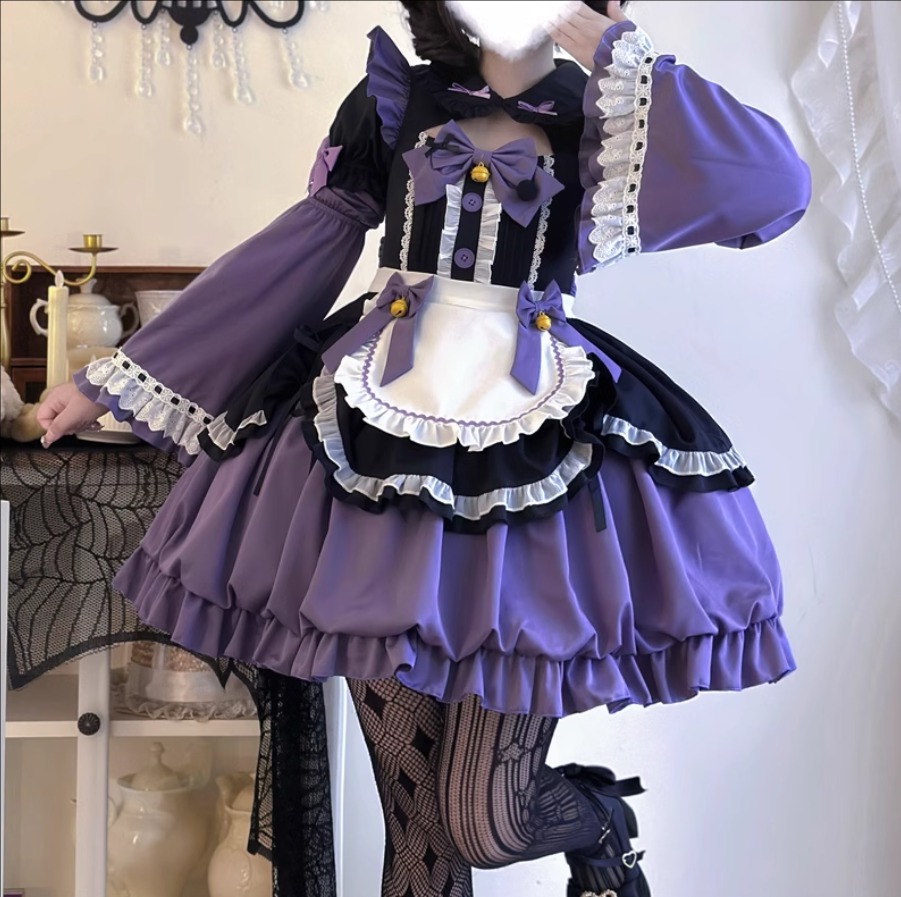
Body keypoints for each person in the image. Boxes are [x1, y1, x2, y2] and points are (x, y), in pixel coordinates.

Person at [38, 1, 810, 894]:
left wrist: (624, 56)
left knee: (482, 820)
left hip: (533, 451)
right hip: (367, 451)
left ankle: (599, 817)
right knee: (420, 832)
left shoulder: (610, 112)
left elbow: (771, 186)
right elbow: (297, 253)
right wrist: (116, 376)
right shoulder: (396, 98)